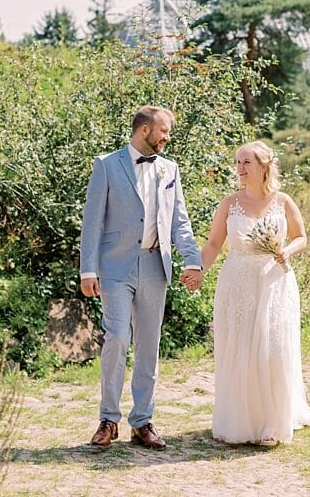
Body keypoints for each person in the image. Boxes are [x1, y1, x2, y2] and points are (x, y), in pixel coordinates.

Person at [79, 105, 204, 450]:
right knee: (117, 337)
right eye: (164, 131)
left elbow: (180, 222)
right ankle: (108, 419)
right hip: (114, 268)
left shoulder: (170, 169)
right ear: (145, 130)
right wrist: (87, 269)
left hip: (155, 266)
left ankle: (142, 421)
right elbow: (92, 222)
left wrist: (192, 260)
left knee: (149, 345)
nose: (167, 138)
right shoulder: (106, 165)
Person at [199, 140, 310, 445]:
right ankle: (243, 421)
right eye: (238, 162)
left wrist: (287, 250)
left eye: (246, 162)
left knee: (272, 349)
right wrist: (198, 270)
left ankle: (272, 424)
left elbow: (302, 237)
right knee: (241, 348)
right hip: (237, 283)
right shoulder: (229, 204)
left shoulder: (283, 201)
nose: (240, 168)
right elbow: (212, 245)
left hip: (274, 282)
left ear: (264, 167)